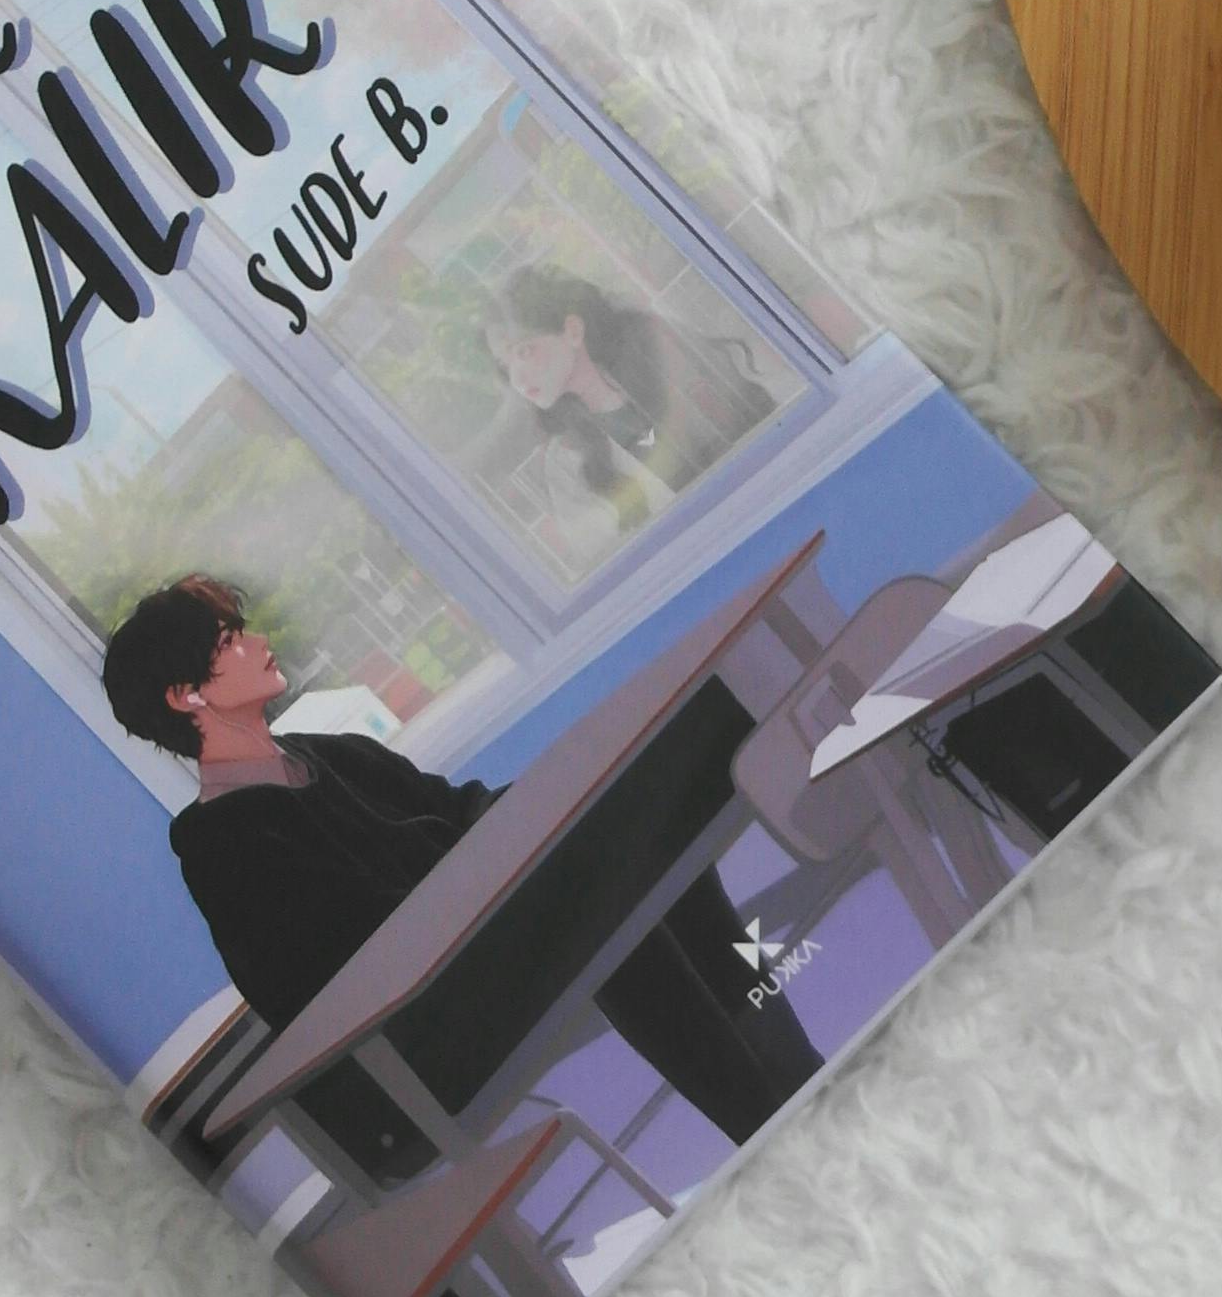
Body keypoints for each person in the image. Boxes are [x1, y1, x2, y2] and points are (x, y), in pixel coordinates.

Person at [100, 575, 818, 1142]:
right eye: (231, 639)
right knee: (604, 894)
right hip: (425, 1029)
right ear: (186, 695)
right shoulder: (216, 843)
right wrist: (488, 866)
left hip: (490, 940)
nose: (258, 642)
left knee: (645, 849)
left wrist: (561, 800)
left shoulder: (329, 753)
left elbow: (464, 810)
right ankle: (766, 1118)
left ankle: (796, 1087)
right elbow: (320, 977)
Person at [488, 265, 784, 507]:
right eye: (505, 365)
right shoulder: (567, 458)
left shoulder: (657, 352)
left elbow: (750, 430)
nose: (518, 379)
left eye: (524, 351)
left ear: (573, 331)